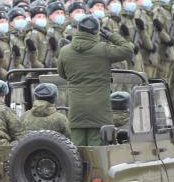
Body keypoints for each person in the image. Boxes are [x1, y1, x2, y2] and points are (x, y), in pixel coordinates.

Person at [57, 15, 134, 146]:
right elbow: (128, 50)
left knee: (76, 149)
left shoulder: (65, 51)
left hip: (76, 106)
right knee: (97, 150)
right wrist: (111, 35)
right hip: (99, 107)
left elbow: (62, 74)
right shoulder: (102, 49)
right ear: (96, 31)